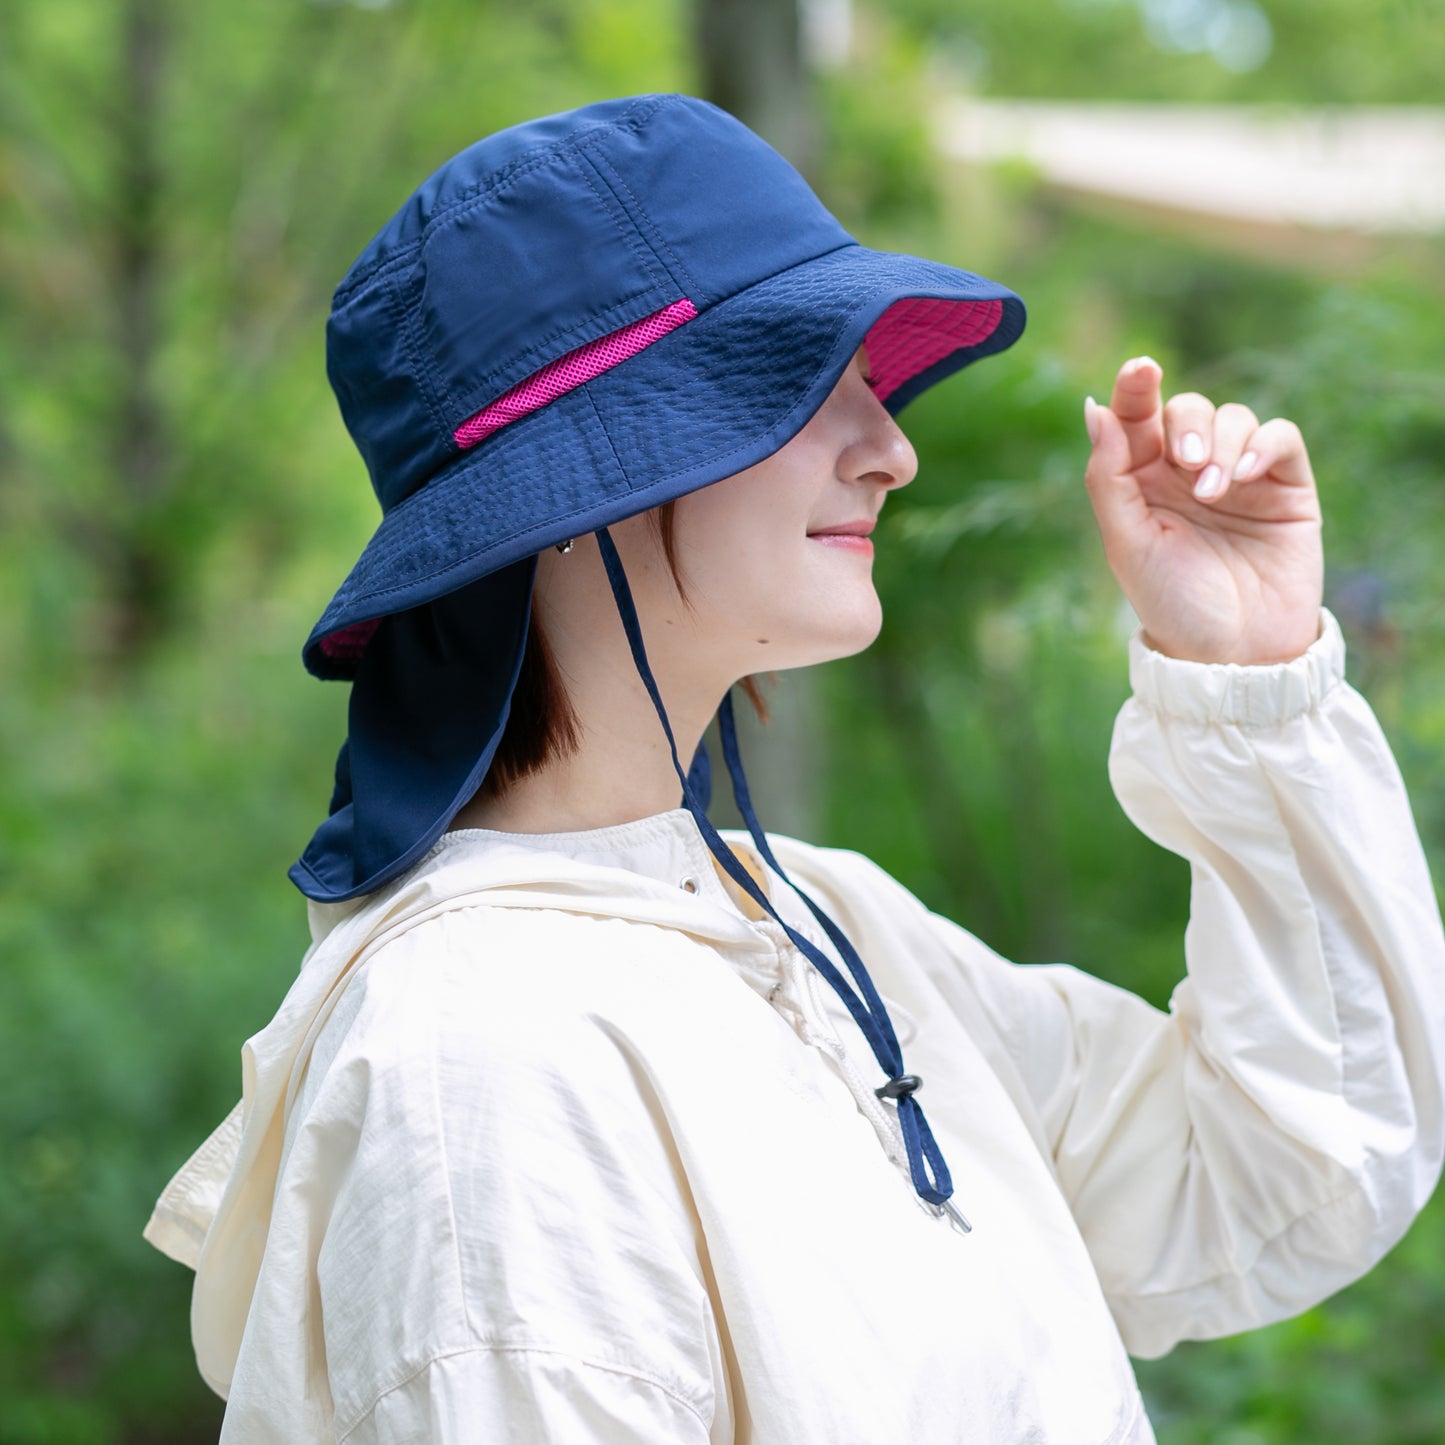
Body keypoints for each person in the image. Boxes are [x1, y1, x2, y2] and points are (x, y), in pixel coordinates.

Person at [145, 93, 1445, 1444]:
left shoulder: (820, 926)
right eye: (802, 378)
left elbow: (1284, 1171)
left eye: (868, 382)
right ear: (578, 481)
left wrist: (1248, 674)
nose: (893, 451)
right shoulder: (487, 1060)